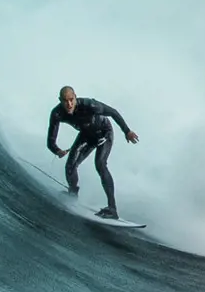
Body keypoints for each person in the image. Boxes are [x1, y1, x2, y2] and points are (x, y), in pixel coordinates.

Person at [45, 85, 138, 217]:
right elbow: (50, 141)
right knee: (70, 166)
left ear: (75, 97)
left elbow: (113, 112)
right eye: (65, 101)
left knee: (100, 165)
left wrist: (127, 131)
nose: (69, 104)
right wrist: (57, 151)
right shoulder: (57, 113)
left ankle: (112, 209)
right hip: (86, 136)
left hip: (104, 133)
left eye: (71, 99)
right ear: (60, 100)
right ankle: (72, 194)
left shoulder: (90, 105)